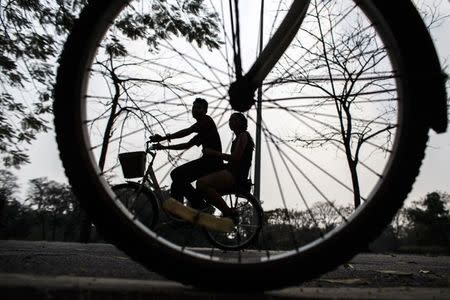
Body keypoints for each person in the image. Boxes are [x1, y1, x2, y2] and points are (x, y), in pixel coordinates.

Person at [150, 98, 223, 210]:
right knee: (176, 183)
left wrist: (165, 137)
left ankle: (194, 205)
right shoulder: (203, 130)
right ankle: (179, 216)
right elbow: (186, 145)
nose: (195, 110)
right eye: (194, 108)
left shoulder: (206, 121)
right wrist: (164, 146)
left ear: (205, 111)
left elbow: (187, 131)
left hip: (211, 163)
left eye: (199, 108)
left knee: (176, 174)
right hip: (208, 163)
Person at [196, 112, 254, 219]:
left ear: (242, 123)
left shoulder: (243, 135)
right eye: (230, 120)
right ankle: (215, 208)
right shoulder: (237, 138)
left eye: (234, 120)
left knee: (201, 183)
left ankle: (227, 211)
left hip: (235, 174)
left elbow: (235, 158)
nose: (231, 122)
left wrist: (213, 153)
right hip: (233, 171)